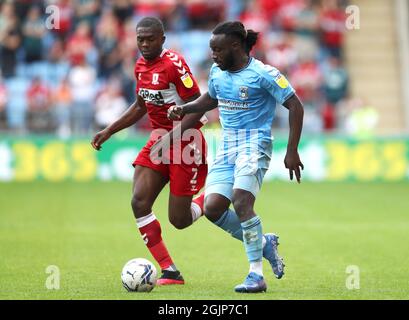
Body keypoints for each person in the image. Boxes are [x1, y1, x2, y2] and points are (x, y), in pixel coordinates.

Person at [165, 21, 304, 293]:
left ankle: (256, 275)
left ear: (236, 46)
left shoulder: (264, 74)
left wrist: (292, 150)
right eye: (211, 50)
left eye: (217, 50)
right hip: (227, 147)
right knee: (213, 209)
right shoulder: (217, 71)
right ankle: (264, 244)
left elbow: (295, 105)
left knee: (241, 201)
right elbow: (211, 100)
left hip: (255, 144)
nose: (213, 55)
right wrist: (185, 109)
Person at [91, 17, 207, 285]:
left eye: (150, 39)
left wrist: (172, 138)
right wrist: (109, 130)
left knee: (179, 219)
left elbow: (199, 106)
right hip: (158, 140)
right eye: (140, 39)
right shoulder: (141, 65)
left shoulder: (174, 65)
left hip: (185, 141)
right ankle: (169, 270)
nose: (144, 44)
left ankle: (211, 198)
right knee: (139, 201)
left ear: (162, 39)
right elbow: (140, 106)